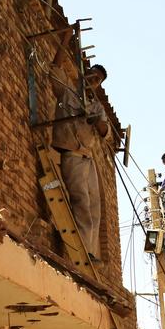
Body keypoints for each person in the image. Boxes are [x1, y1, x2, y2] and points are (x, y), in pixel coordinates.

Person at [51, 29, 110, 262]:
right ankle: (83, 251)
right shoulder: (67, 91)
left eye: (97, 81)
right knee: (81, 201)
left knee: (95, 204)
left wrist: (97, 123)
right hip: (72, 154)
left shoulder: (96, 106)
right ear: (85, 74)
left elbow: (104, 130)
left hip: (87, 157)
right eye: (92, 76)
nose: (93, 81)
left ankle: (91, 250)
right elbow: (53, 70)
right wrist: (64, 40)